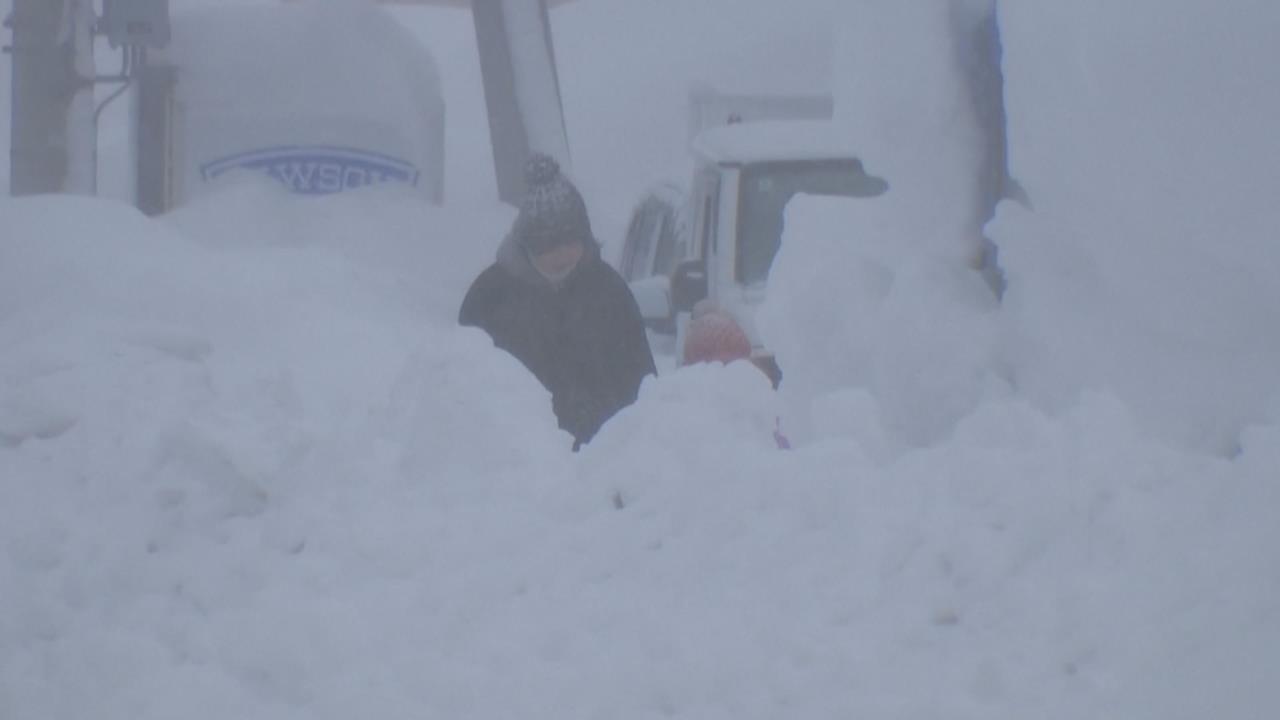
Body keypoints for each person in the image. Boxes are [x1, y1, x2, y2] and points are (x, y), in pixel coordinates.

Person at [459, 154, 657, 450]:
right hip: (513, 463)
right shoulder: (489, 298)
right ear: (526, 246)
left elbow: (642, 384)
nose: (561, 255)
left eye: (570, 241)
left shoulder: (609, 292)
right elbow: (460, 389)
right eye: (548, 246)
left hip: (601, 460)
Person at [681, 302, 790, 449]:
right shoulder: (687, 424)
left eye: (739, 367)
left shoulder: (764, 414)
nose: (732, 376)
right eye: (718, 369)